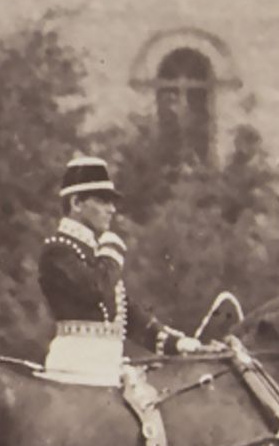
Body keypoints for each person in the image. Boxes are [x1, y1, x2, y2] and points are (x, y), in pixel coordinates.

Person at [38, 153, 201, 384]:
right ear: (76, 203)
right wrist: (111, 253)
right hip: (75, 370)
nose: (112, 209)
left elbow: (128, 315)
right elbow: (97, 289)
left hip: (106, 369)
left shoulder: (95, 254)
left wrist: (176, 343)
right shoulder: (58, 250)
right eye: (103, 201)